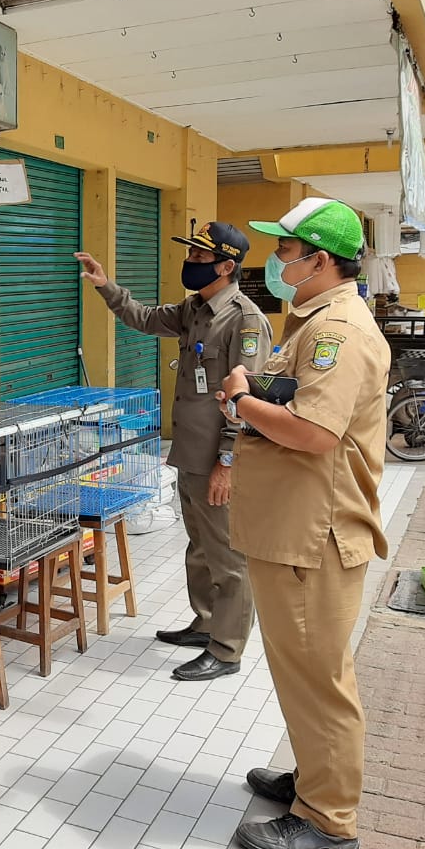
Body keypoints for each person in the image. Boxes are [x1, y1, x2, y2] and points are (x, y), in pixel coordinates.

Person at [217, 198, 389, 849]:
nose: (278, 261)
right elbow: (299, 398)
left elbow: (315, 434)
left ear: (319, 260)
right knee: (299, 672)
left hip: (313, 536)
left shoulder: (336, 332)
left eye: (287, 251)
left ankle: (329, 819)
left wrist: (240, 398)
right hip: (295, 529)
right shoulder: (316, 321)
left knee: (319, 678)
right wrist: (260, 388)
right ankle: (311, 782)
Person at [77, 221, 272, 682]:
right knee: (201, 547)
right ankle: (206, 624)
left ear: (227, 266)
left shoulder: (244, 320)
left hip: (220, 460)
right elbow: (144, 318)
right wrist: (107, 286)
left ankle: (226, 651)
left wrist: (227, 461)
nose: (191, 264)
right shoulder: (195, 309)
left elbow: (251, 401)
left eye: (201, 259)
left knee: (228, 557)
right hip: (189, 452)